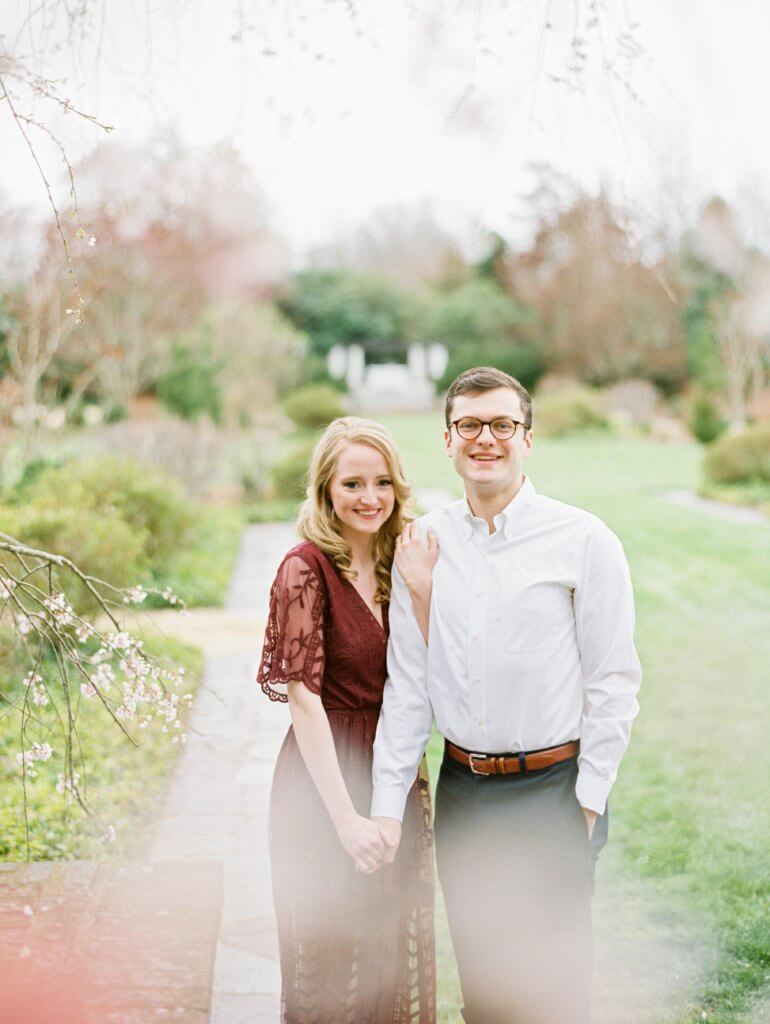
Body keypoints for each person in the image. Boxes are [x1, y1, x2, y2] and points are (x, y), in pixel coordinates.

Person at [371, 366, 642, 1024]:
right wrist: (385, 808)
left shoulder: (583, 540)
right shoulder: (424, 544)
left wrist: (585, 802)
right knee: (486, 990)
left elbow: (613, 684)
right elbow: (409, 687)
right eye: (469, 424)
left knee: (555, 988)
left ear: (527, 438)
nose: (484, 439)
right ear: (447, 439)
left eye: (501, 424)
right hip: (466, 791)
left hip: (552, 793)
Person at [257, 416, 437, 1024]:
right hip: (325, 780)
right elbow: (304, 701)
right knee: (328, 960)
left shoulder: (404, 562)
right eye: (353, 484)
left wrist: (424, 591)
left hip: (395, 770)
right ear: (326, 490)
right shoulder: (304, 570)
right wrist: (345, 821)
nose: (370, 498)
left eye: (382, 482)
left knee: (389, 948)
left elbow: (437, 669)